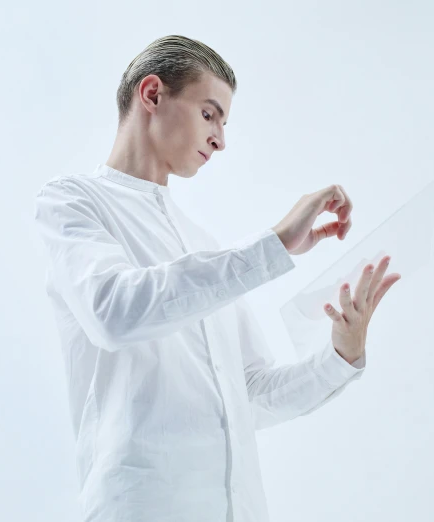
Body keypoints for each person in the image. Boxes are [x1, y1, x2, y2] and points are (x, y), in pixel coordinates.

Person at [33, 35, 401, 522]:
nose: (221, 139)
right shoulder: (73, 202)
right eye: (210, 114)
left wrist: (341, 355)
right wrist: (271, 245)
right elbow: (113, 313)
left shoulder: (203, 244)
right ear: (152, 94)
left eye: (224, 122)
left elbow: (251, 394)